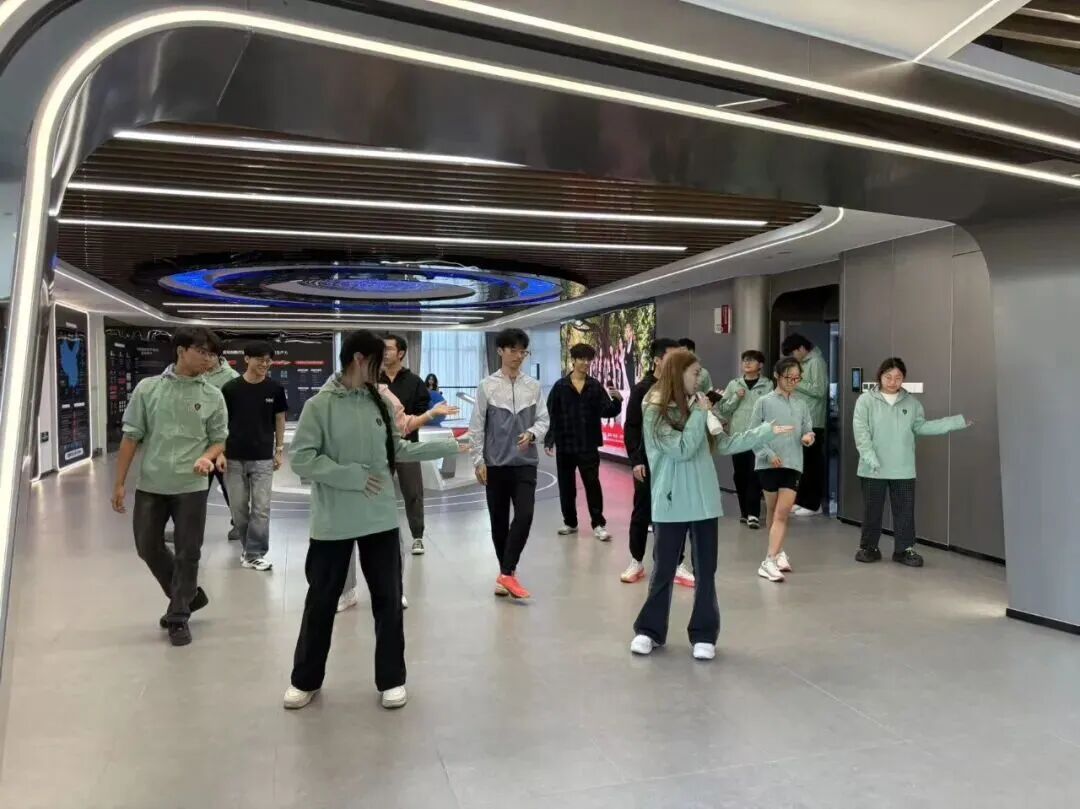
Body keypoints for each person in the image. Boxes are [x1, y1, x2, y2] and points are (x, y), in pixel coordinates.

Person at [283, 330, 462, 712]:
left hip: (380, 519)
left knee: (388, 600)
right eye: (379, 362)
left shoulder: (380, 401)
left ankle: (392, 679)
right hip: (332, 522)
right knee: (321, 603)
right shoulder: (319, 406)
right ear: (360, 359)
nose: (384, 370)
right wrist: (351, 476)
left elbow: (396, 448)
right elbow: (302, 458)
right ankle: (305, 679)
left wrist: (450, 445)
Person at [629, 350, 790, 660]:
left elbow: (724, 443)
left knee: (706, 571)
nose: (700, 377)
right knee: (663, 569)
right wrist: (700, 413)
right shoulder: (654, 409)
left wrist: (764, 431)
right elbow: (682, 449)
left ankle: (704, 634)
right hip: (670, 501)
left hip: (704, 502)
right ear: (678, 373)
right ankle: (649, 630)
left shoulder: (700, 405)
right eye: (694, 372)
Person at [111, 326, 227, 647]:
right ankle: (190, 595)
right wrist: (119, 483)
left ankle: (178, 615)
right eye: (202, 352)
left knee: (189, 551)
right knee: (147, 546)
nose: (208, 360)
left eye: (213, 355)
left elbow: (219, 439)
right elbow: (131, 437)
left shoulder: (212, 396)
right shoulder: (148, 389)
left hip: (191, 486)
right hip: (152, 483)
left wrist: (207, 456)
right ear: (181, 350)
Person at [337, 388, 459, 612]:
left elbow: (402, 427)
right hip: (346, 478)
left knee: (388, 538)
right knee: (344, 538)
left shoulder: (383, 394)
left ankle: (394, 590)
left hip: (378, 478)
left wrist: (431, 415)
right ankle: (346, 591)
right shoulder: (334, 395)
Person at [852, 358, 970, 567]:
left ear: (903, 378)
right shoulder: (865, 401)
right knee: (872, 510)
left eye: (898, 377)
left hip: (903, 468)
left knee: (905, 511)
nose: (893, 382)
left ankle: (904, 550)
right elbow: (861, 433)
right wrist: (870, 458)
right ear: (880, 376)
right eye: (888, 377)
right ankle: (869, 547)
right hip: (872, 469)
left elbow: (922, 427)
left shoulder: (912, 404)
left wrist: (956, 422)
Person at [469, 328, 550, 600]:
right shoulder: (487, 386)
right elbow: (476, 426)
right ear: (500, 351)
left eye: (522, 351)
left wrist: (533, 434)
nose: (518, 356)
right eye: (512, 350)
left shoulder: (533, 386)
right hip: (496, 464)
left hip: (525, 463)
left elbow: (544, 420)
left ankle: (506, 572)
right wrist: (478, 460)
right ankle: (507, 573)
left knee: (525, 515)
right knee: (499, 522)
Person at [622, 337, 694, 585]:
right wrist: (636, 460)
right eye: (672, 358)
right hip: (648, 463)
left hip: (674, 462)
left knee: (676, 512)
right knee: (642, 511)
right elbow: (632, 427)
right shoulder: (642, 390)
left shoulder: (681, 388)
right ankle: (636, 560)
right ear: (657, 360)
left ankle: (676, 563)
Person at [219, 341, 288, 572]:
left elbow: (279, 419)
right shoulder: (230, 388)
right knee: (238, 508)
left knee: (261, 508)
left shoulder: (275, 389)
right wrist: (219, 451)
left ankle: (254, 553)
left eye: (268, 360)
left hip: (262, 458)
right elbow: (221, 423)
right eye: (260, 359)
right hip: (233, 457)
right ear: (247, 359)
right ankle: (248, 548)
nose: (265, 364)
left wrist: (279, 449)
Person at [545, 343, 624, 541]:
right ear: (573, 360)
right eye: (581, 359)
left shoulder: (594, 386)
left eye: (589, 359)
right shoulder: (560, 387)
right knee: (566, 487)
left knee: (592, 485)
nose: (585, 363)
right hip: (565, 445)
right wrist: (549, 439)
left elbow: (607, 410)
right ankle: (570, 522)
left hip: (588, 445)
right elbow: (552, 414)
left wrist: (617, 401)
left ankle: (598, 524)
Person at [750, 357, 815, 583]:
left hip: (793, 463)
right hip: (768, 464)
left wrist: (808, 437)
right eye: (789, 378)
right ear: (777, 376)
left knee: (782, 512)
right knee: (772, 510)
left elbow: (808, 429)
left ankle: (769, 559)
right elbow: (753, 434)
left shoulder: (801, 404)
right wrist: (768, 454)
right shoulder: (764, 402)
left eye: (797, 378)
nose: (793, 382)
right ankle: (777, 553)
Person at [380, 334, 431, 556]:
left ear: (400, 353)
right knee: (378, 492)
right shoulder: (374, 379)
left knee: (413, 492)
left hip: (407, 445)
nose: (384, 353)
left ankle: (417, 536)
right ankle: (382, 536)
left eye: (389, 349)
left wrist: (405, 425)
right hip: (379, 448)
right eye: (382, 349)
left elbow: (421, 412)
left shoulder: (415, 382)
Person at [717, 350, 773, 529]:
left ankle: (753, 514)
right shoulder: (734, 384)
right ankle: (744, 511)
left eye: (751, 360)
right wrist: (736, 397)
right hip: (738, 437)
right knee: (740, 475)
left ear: (760, 365)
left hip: (758, 437)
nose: (747, 363)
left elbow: (771, 409)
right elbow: (723, 409)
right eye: (744, 360)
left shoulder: (767, 385)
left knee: (754, 474)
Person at [781, 333, 828, 516]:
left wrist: (796, 381)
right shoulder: (802, 363)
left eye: (793, 353)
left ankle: (813, 504)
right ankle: (801, 500)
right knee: (801, 464)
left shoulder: (816, 362)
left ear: (801, 348)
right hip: (800, 420)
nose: (793, 357)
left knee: (812, 464)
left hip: (813, 421)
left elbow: (819, 390)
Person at [203, 354, 240, 538]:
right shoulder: (196, 374)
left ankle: (239, 524)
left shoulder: (231, 378)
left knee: (230, 488)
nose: (205, 358)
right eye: (202, 353)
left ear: (218, 356)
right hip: (199, 445)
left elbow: (236, 416)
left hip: (223, 444)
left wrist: (224, 448)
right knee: (194, 490)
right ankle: (185, 528)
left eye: (209, 354)